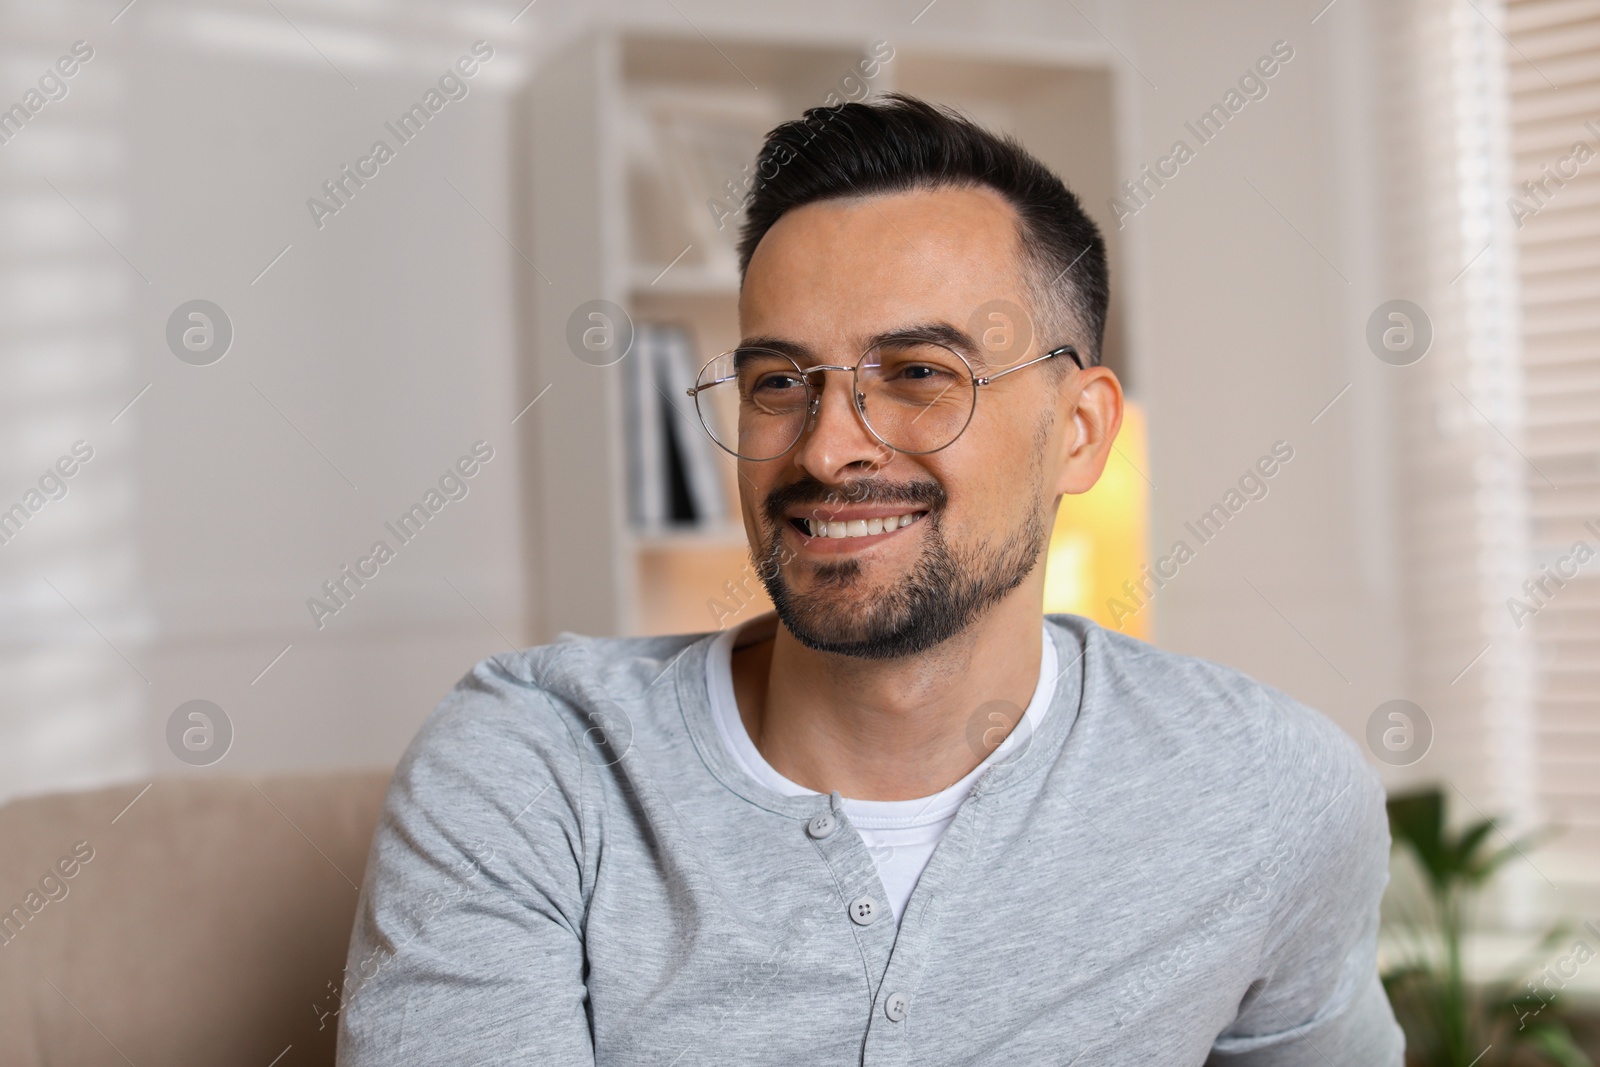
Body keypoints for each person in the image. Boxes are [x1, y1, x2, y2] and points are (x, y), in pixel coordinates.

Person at [336, 93, 1403, 1065]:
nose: (827, 446)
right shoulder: (533, 768)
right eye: (779, 380)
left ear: (1078, 434)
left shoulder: (1268, 791)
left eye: (919, 375)